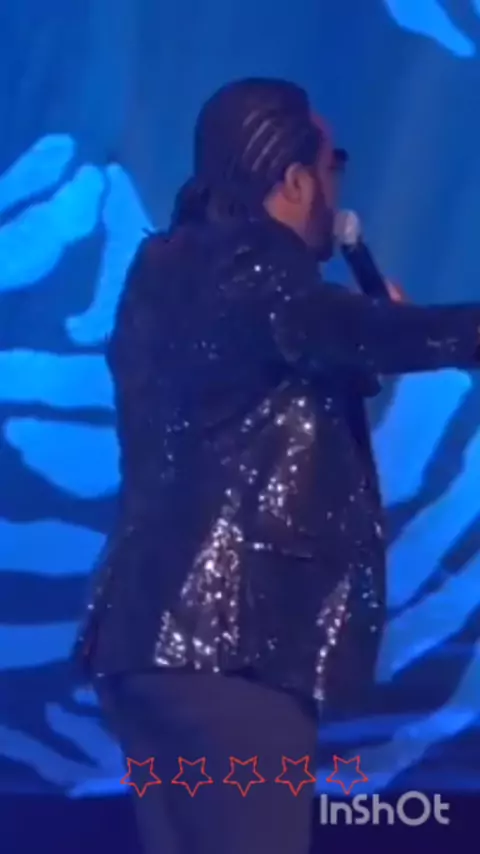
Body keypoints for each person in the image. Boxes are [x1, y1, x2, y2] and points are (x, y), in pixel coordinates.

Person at [74, 78, 480, 854]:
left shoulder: (162, 273)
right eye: (332, 166)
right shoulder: (258, 266)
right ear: (293, 180)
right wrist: (402, 331)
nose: (336, 187)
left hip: (143, 649)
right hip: (230, 647)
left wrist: (367, 335)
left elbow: (281, 360)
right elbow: (340, 328)